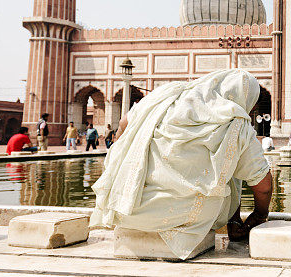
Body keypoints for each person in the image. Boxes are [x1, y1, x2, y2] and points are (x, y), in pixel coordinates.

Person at [91, 69, 272, 260]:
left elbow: (123, 124)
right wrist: (260, 214)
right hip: (186, 219)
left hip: (126, 209)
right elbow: (264, 185)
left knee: (227, 158)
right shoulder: (237, 124)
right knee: (230, 162)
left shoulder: (167, 97)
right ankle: (233, 225)